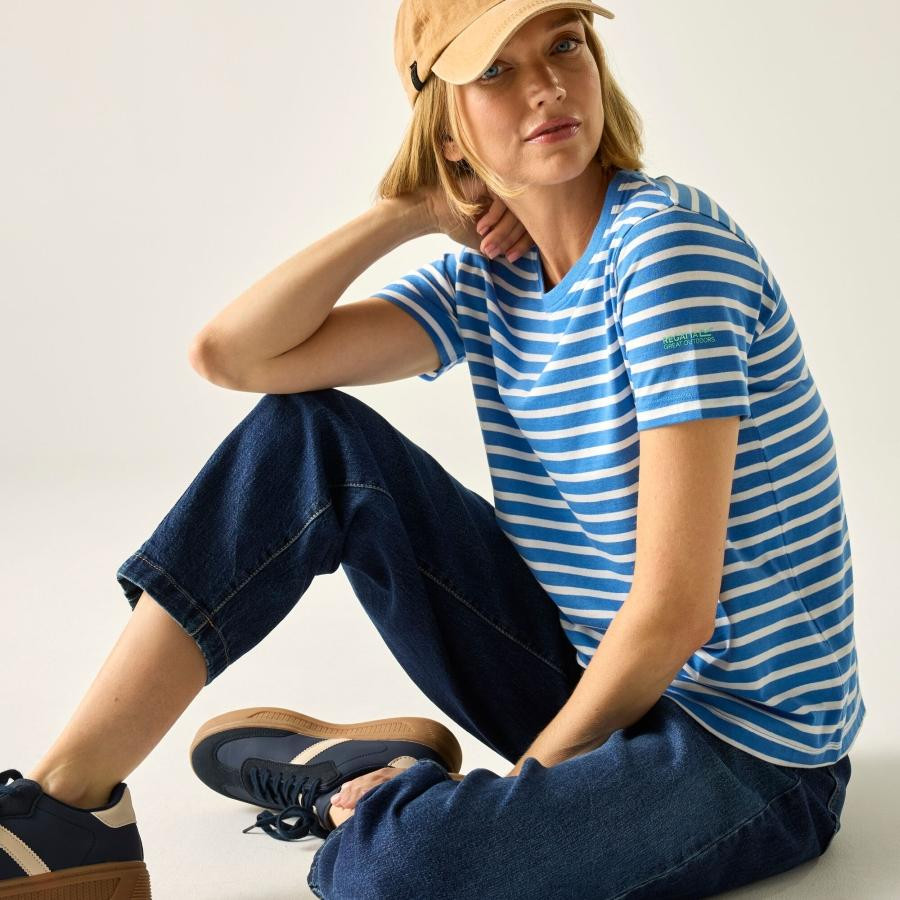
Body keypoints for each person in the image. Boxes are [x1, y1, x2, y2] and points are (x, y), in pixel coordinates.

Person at [0, 2, 863, 898]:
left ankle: (371, 794)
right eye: (495, 71)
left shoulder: (669, 252)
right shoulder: (487, 277)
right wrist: (407, 211)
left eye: (565, 45)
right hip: (600, 682)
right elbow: (233, 356)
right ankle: (67, 809)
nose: (547, 87)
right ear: (447, 129)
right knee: (307, 437)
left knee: (392, 872)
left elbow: (676, 614)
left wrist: (521, 793)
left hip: (753, 750)